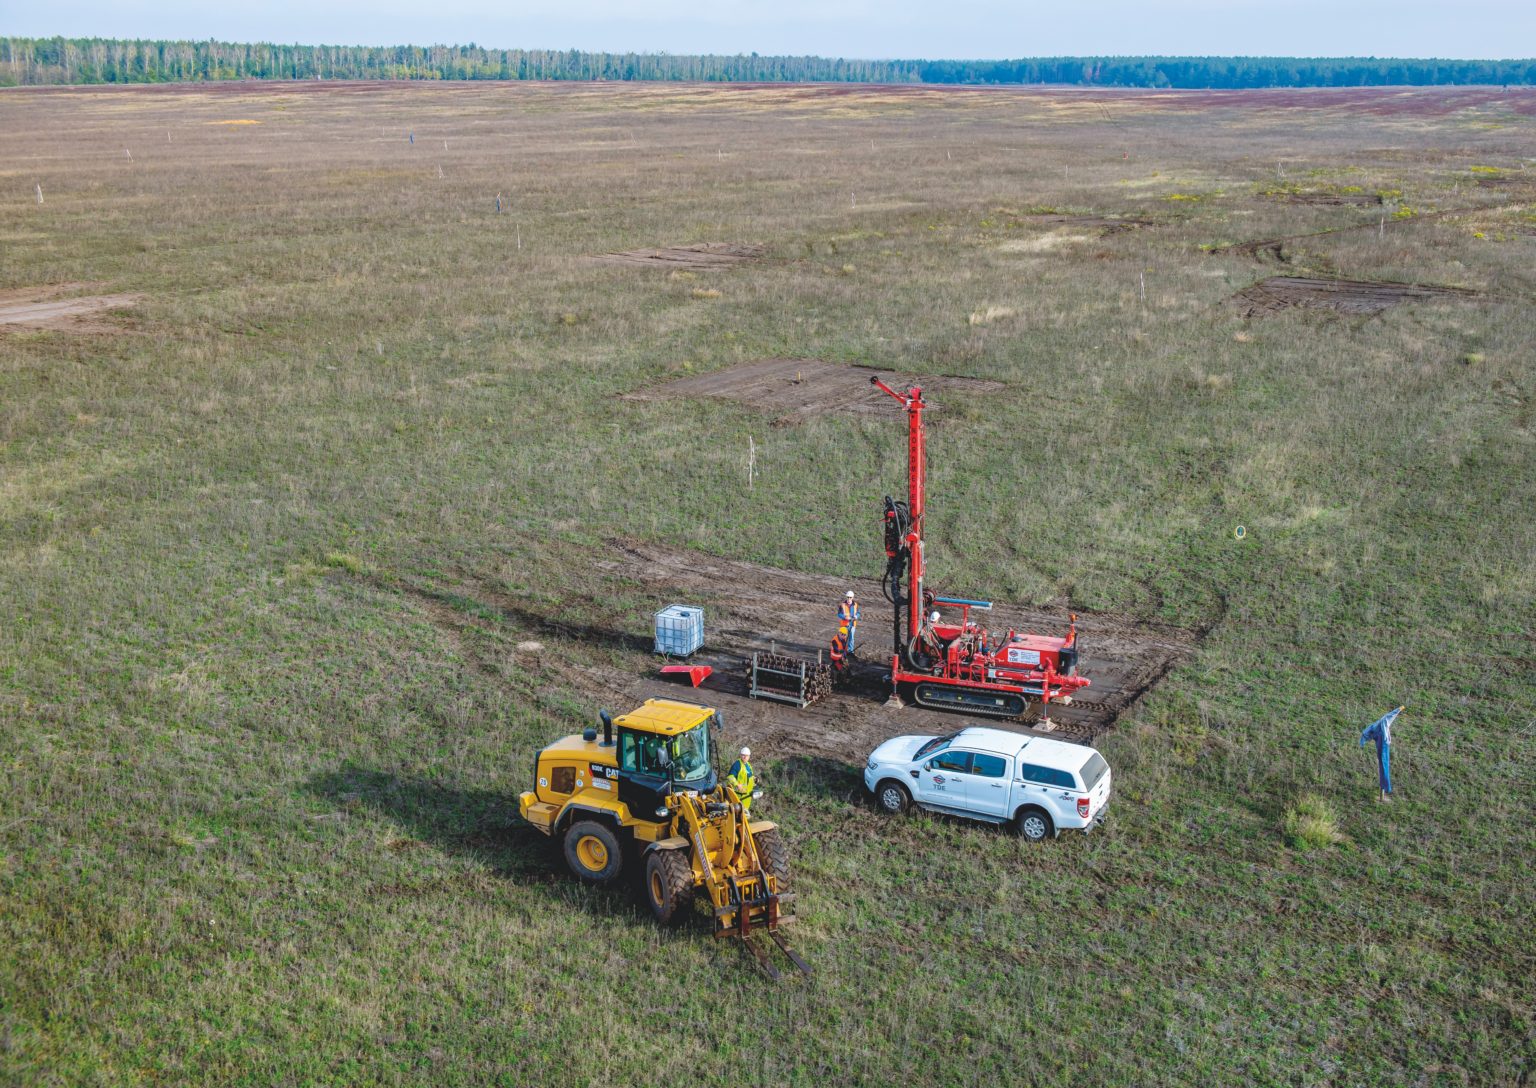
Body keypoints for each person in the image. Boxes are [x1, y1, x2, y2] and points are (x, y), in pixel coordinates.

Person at [1359, 707, 1402, 802]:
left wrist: (1363, 741)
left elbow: (1366, 732)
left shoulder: (1376, 725)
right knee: (1384, 766)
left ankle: (1385, 787)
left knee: (1383, 766)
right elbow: (1389, 716)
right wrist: (1399, 709)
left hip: (1382, 746)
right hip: (1383, 747)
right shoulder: (1383, 723)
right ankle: (1386, 787)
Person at [726, 747, 756, 813]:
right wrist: (736, 784)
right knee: (738, 814)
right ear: (740, 755)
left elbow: (749, 777)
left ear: (749, 756)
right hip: (739, 795)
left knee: (745, 814)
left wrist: (754, 780)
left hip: (747, 795)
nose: (745, 757)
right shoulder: (737, 765)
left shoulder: (748, 765)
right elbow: (730, 776)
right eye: (743, 755)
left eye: (747, 756)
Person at [837, 590, 861, 656]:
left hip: (852, 624)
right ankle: (841, 649)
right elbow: (839, 614)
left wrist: (856, 616)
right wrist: (845, 617)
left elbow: (858, 613)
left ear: (852, 598)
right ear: (846, 597)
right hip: (844, 625)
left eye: (850, 597)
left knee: (851, 638)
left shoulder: (855, 605)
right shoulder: (842, 605)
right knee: (842, 638)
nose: (849, 599)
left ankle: (850, 651)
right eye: (848, 597)